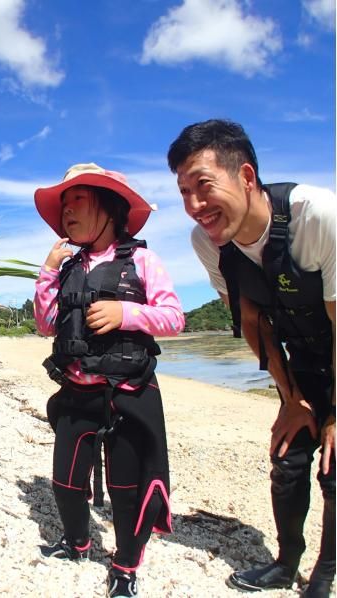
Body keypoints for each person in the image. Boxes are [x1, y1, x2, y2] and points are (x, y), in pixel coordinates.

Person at [167, 119, 335, 597]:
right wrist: (291, 399)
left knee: (335, 467)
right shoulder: (209, 244)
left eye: (203, 186)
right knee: (288, 455)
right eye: (183, 192)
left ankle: (325, 573)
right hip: (301, 355)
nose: (194, 206)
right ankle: (285, 562)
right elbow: (250, 321)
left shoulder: (316, 216)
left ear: (244, 176)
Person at [33, 163, 185, 598]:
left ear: (111, 208)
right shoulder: (67, 267)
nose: (67, 212)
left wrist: (127, 313)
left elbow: (175, 317)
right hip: (77, 392)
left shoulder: (141, 260)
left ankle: (124, 567)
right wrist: (47, 271)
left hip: (128, 392)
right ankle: (77, 541)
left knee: (127, 489)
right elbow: (46, 325)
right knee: (64, 482)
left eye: (77, 200)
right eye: (63, 205)